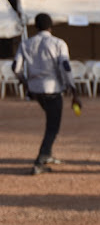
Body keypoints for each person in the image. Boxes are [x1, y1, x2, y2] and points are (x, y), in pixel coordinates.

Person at [13, 13, 82, 176]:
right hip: (52, 89)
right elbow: (65, 67)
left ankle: (48, 154)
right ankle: (40, 160)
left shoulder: (26, 43)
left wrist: (25, 83)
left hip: (35, 90)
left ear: (36, 27)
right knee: (53, 126)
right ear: (51, 26)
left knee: (50, 120)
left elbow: (15, 67)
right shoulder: (58, 43)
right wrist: (74, 91)